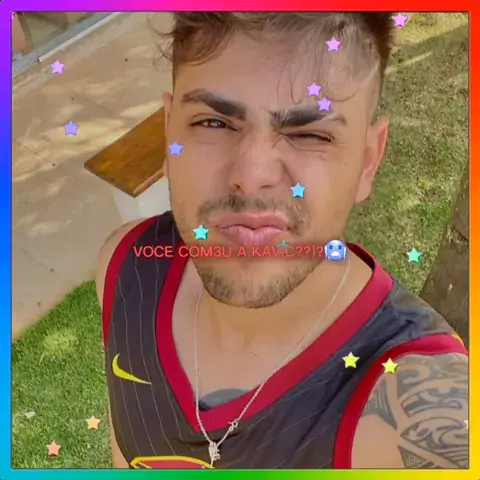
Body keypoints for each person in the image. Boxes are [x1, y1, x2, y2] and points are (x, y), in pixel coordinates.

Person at [96, 12, 468, 469]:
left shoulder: (415, 407)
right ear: (169, 129)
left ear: (367, 162)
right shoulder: (123, 267)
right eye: (214, 123)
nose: (251, 176)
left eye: (310, 134)